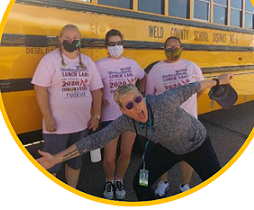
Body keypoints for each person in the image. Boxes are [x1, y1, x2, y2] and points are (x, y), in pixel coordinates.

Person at [37, 73, 233, 201]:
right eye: (129, 105)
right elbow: (94, 140)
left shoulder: (165, 101)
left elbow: (194, 86)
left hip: (196, 143)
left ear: (143, 95)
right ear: (123, 110)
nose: (137, 106)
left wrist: (219, 80)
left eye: (138, 99)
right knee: (140, 183)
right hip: (168, 147)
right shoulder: (126, 122)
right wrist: (56, 158)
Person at [32, 24, 103, 188]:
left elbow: (96, 91)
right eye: (67, 38)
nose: (71, 41)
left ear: (80, 41)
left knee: (75, 164)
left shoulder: (88, 62)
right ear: (60, 40)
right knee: (51, 166)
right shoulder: (50, 60)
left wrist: (97, 115)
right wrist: (48, 116)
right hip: (56, 127)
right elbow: (40, 89)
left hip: (81, 125)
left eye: (75, 39)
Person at [146, 36, 204, 196]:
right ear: (164, 50)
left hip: (189, 121)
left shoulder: (192, 67)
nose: (173, 50)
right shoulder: (156, 69)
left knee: (188, 154)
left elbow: (200, 88)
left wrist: (188, 101)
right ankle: (163, 182)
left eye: (176, 47)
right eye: (169, 48)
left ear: (182, 49)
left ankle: (185, 185)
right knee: (162, 154)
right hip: (163, 122)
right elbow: (150, 95)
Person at [96, 29, 147, 200]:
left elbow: (144, 77)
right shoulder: (100, 65)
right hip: (109, 115)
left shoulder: (131, 64)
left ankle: (119, 180)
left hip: (130, 115)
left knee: (126, 153)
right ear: (106, 46)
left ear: (123, 44)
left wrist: (141, 93)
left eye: (119, 43)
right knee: (109, 158)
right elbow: (94, 86)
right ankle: (108, 180)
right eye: (112, 44)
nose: (116, 46)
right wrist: (99, 97)